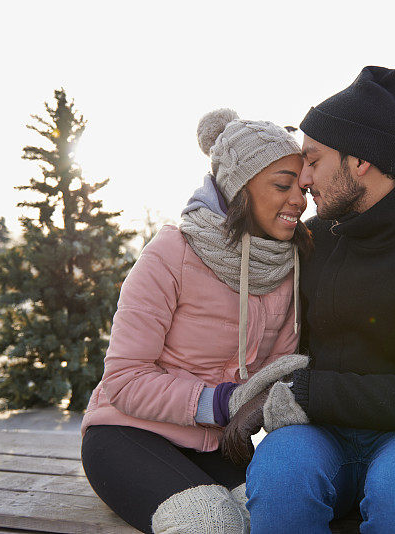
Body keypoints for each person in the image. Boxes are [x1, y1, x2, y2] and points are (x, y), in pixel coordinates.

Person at [225, 67, 395, 532]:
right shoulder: (312, 240)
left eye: (313, 160)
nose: (304, 179)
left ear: (360, 161)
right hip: (317, 435)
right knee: (280, 476)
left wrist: (304, 392)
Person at [80, 108, 312, 534]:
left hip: (220, 445)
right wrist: (224, 402)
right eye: (282, 185)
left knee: (279, 510)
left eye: (301, 188)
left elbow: (279, 370)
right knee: (209, 522)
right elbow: (125, 378)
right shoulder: (171, 253)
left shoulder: (290, 265)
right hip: (128, 433)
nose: (298, 199)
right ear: (238, 187)